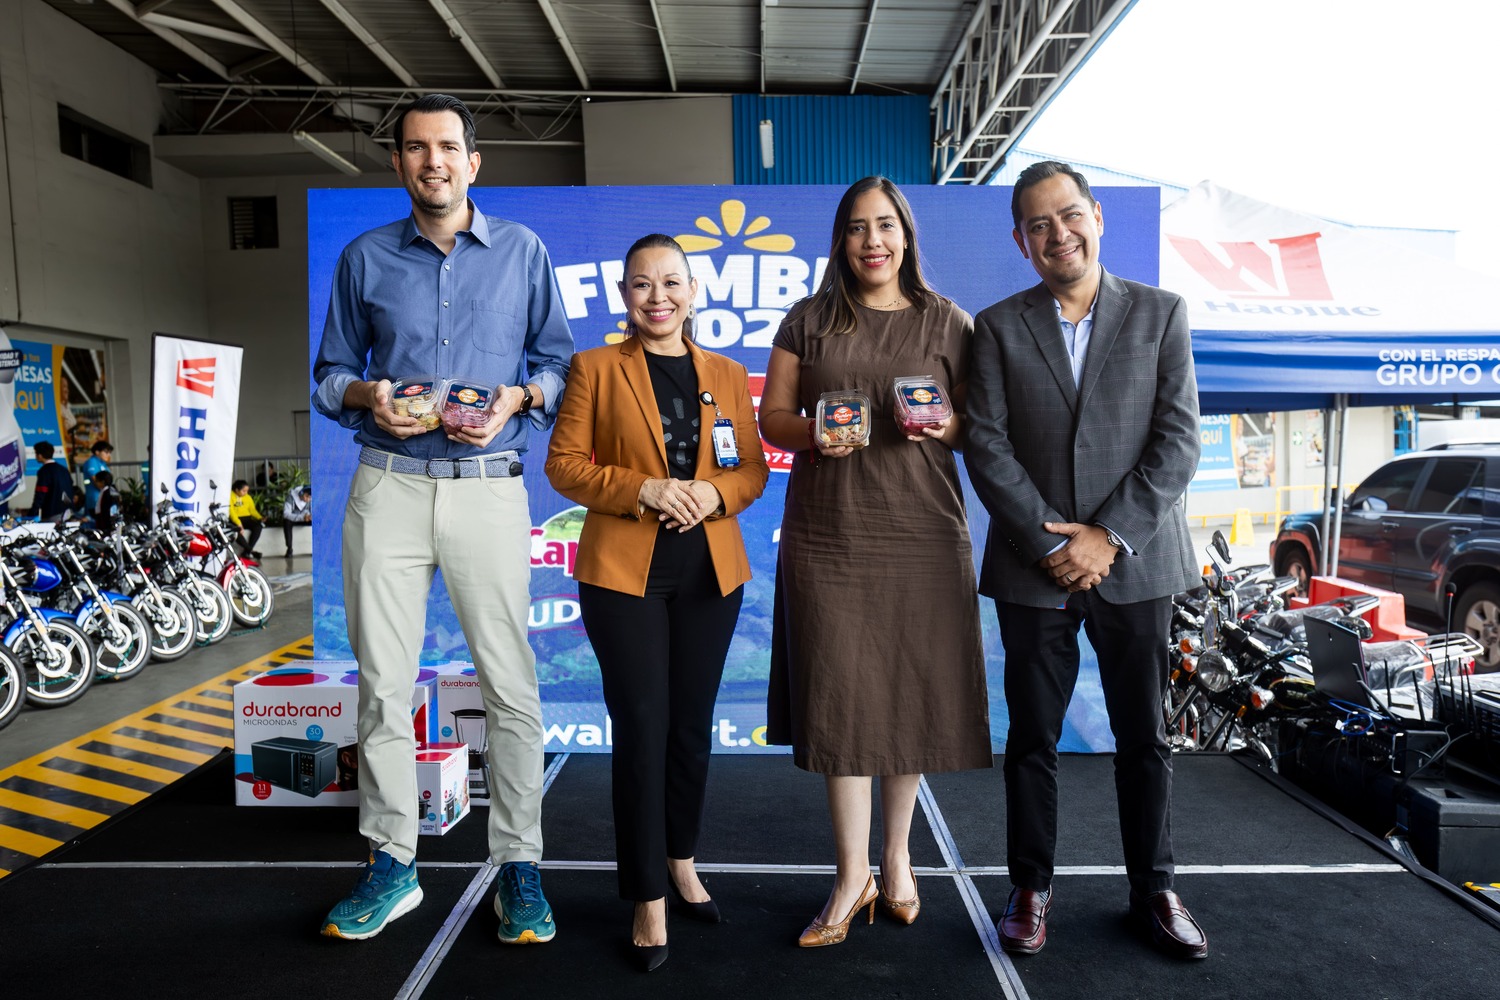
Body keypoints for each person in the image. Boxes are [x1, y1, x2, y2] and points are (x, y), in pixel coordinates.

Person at [312, 93, 573, 944]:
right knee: (383, 687)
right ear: (398, 163)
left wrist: (518, 400)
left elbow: (559, 365)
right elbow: (329, 376)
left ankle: (519, 866)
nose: (435, 161)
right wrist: (369, 396)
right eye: (418, 148)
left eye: (449, 147)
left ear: (474, 162)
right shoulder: (364, 257)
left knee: (510, 685)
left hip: (488, 488)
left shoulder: (522, 252)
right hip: (387, 486)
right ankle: (393, 863)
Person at [965, 160, 1207, 960]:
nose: (1057, 233)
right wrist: (1050, 542)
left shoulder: (1161, 313)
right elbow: (986, 443)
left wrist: (1107, 536)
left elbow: (1178, 440)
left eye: (1069, 215)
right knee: (1032, 738)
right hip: (1032, 567)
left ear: (1097, 216)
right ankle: (1029, 888)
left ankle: (1155, 890)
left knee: (1145, 737)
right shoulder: (997, 326)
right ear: (1021, 241)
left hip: (1136, 561)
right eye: (1038, 224)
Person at [759, 177, 991, 947]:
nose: (872, 241)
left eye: (885, 225)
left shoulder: (949, 321)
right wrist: (813, 433)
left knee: (908, 695)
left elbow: (978, 429)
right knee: (842, 699)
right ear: (841, 240)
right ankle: (849, 873)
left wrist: (943, 423)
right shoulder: (808, 319)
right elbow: (773, 419)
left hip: (923, 533)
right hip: (829, 536)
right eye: (858, 228)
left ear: (906, 235)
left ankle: (897, 857)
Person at [545, 234, 769, 972]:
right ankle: (646, 896)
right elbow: (563, 467)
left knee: (691, 729)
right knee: (643, 728)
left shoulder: (726, 373)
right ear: (625, 296)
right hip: (624, 575)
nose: (658, 297)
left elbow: (751, 470)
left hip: (711, 574)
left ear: (693, 291)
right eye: (642, 284)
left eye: (671, 282)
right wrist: (643, 489)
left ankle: (681, 860)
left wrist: (713, 494)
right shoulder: (595, 368)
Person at [27, 440, 78, 523]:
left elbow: (40, 494)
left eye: (36, 453)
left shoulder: (44, 471)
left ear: (40, 455)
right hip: (69, 512)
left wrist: (32, 513)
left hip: (52, 513)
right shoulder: (64, 470)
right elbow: (71, 488)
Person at [227, 479, 264, 558]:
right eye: (243, 491)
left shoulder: (248, 497)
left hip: (247, 518)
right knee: (236, 531)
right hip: (235, 519)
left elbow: (252, 510)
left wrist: (260, 518)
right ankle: (250, 551)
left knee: (258, 527)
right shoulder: (230, 496)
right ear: (237, 490)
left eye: (247, 491)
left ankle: (247, 551)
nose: (246, 493)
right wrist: (239, 524)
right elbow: (231, 512)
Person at [81, 440, 113, 518]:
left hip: (103, 498)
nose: (108, 455)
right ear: (97, 452)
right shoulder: (92, 462)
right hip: (95, 499)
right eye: (106, 452)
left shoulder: (103, 464)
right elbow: (96, 481)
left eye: (109, 452)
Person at [282, 484, 311, 557]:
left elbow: (311, 510)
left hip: (305, 518)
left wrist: (310, 516)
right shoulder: (291, 497)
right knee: (286, 522)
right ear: (301, 493)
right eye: (306, 496)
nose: (308, 499)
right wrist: (302, 517)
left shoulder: (310, 499)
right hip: (293, 518)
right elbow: (286, 514)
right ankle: (289, 548)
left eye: (310, 497)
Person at [92, 470, 122, 534]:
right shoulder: (107, 491)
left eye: (97, 481)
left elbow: (108, 509)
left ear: (102, 482)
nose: (96, 483)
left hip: (107, 523)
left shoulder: (108, 492)